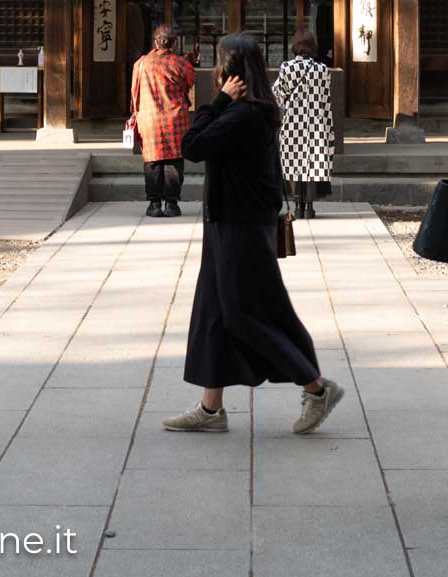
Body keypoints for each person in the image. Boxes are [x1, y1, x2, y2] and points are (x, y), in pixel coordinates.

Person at [163, 32, 344, 436]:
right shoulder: (254, 109)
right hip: (230, 222)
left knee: (245, 313)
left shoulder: (241, 114)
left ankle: (316, 388)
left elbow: (192, 146)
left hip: (239, 226)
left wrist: (219, 100)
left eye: (219, 61)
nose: (216, 70)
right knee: (215, 310)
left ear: (232, 70)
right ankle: (211, 410)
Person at [130, 24, 196, 218]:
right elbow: (190, 83)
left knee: (152, 162)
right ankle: (172, 204)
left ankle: (154, 204)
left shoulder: (141, 63)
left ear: (155, 42)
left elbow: (135, 92)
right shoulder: (181, 63)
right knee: (174, 162)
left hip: (149, 118)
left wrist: (135, 113)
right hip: (175, 119)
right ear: (174, 44)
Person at [273, 28, 335, 219]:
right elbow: (326, 98)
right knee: (313, 162)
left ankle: (297, 204)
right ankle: (309, 206)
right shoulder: (323, 70)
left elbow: (277, 94)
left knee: (294, 162)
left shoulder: (286, 68)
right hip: (316, 123)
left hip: (293, 122)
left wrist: (288, 107)